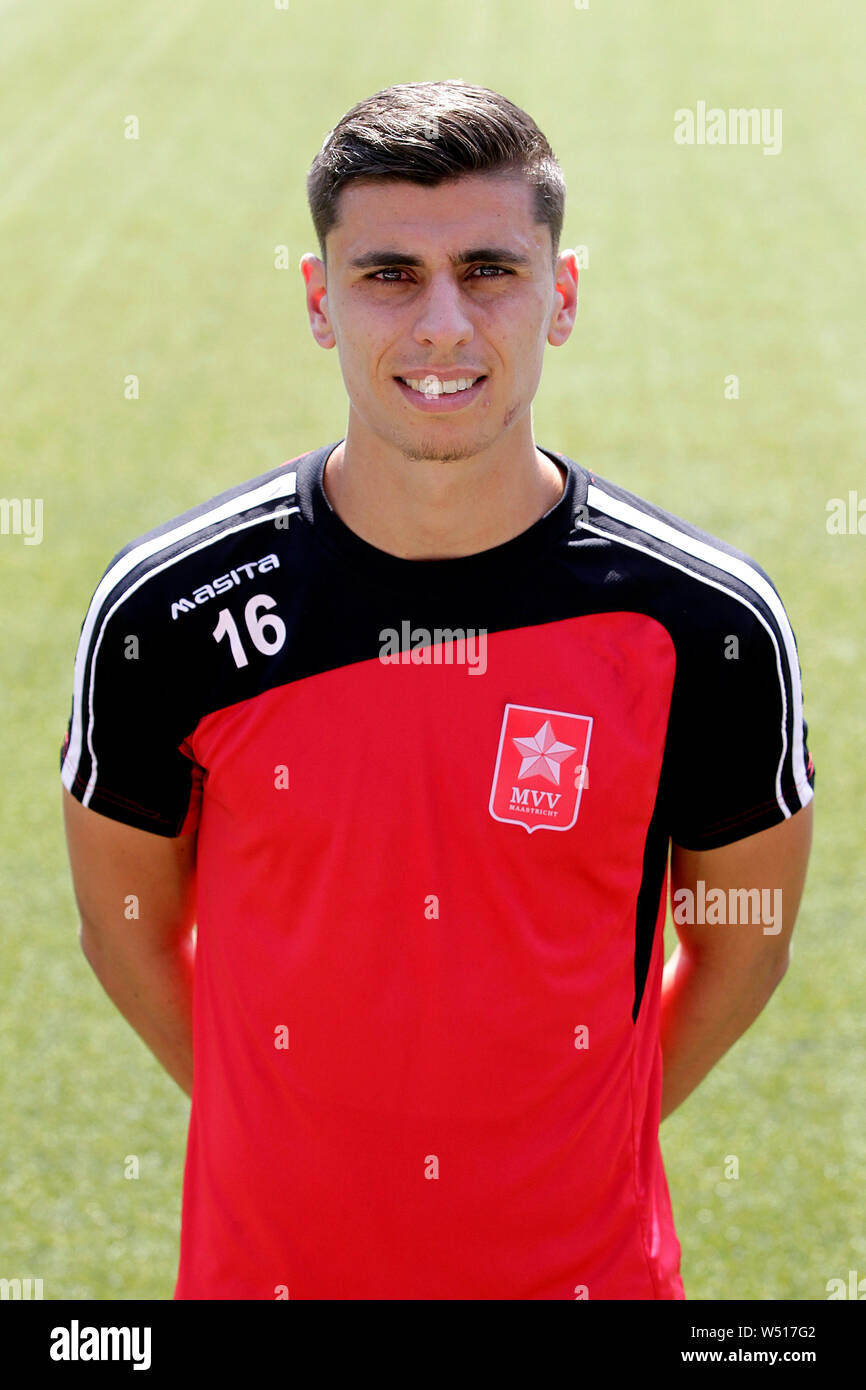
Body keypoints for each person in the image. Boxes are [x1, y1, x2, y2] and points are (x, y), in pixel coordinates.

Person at [60, 80, 814, 1300]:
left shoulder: (704, 622)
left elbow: (743, 945)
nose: (444, 326)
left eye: (489, 268)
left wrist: (575, 1131)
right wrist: (290, 1122)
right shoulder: (169, 613)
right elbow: (122, 928)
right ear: (319, 302)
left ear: (559, 296)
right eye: (388, 276)